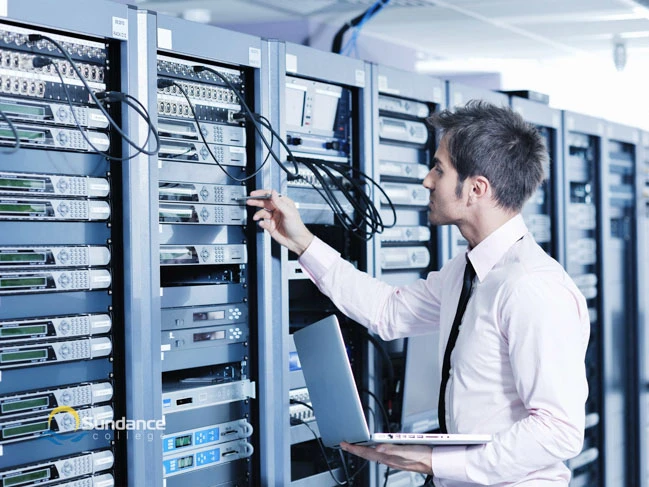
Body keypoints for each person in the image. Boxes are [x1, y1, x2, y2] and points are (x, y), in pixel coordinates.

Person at [248, 100, 589, 486]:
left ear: (476, 189)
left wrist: (433, 461)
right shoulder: (467, 271)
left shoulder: (531, 287)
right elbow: (389, 311)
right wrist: (303, 242)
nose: (427, 180)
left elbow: (558, 430)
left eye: (440, 169)